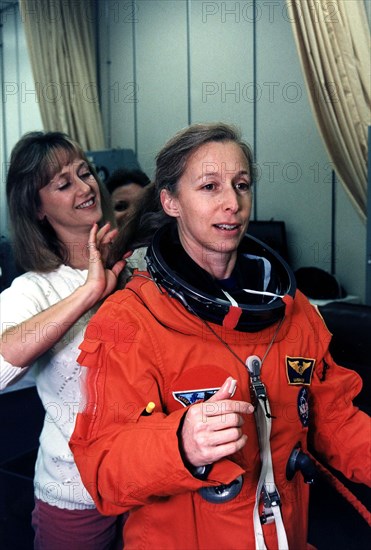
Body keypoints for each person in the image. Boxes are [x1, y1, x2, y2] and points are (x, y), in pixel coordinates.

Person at [70, 123, 370, 550]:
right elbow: (101, 470)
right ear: (170, 201)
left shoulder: (294, 310)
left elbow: (335, 419)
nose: (233, 203)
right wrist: (179, 445)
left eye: (241, 185)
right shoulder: (130, 320)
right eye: (210, 186)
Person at [0, 131, 133, 549]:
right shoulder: (33, 290)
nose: (85, 186)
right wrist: (88, 293)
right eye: (63, 183)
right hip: (74, 493)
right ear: (37, 209)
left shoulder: (138, 265)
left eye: (84, 172)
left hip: (149, 478)